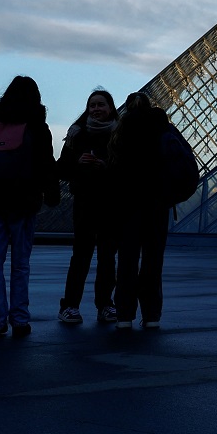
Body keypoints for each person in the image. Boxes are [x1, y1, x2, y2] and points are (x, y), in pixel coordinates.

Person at [0, 76, 59, 339]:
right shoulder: (37, 126)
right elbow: (47, 164)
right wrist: (52, 194)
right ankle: (20, 319)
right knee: (21, 264)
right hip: (23, 203)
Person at [109, 92, 195, 329]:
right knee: (153, 261)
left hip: (129, 205)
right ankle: (152, 315)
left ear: (126, 108)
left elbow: (114, 172)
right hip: (158, 204)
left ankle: (124, 315)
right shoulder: (164, 128)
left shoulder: (122, 130)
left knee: (127, 260)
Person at [57, 89, 120, 326]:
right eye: (92, 105)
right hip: (84, 201)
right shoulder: (77, 134)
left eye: (101, 104)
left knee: (107, 257)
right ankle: (70, 305)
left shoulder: (120, 135)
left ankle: (105, 304)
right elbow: (61, 168)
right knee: (80, 257)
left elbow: (128, 169)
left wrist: (107, 166)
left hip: (111, 202)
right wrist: (78, 162)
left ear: (111, 107)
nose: (96, 109)